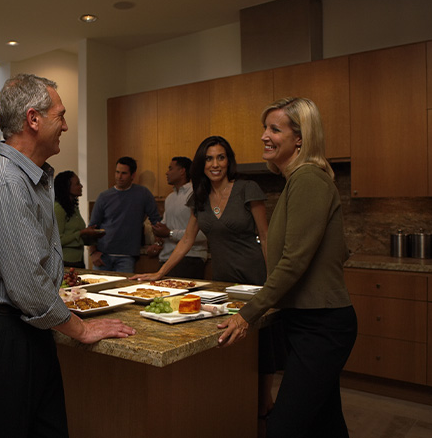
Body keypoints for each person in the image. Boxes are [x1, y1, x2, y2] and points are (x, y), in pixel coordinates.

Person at [0, 74, 135, 438]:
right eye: (61, 115)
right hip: (2, 338)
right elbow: (27, 286)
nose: (65, 125)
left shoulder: (29, 180)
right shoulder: (6, 182)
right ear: (33, 119)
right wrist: (80, 328)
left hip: (26, 332)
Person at [217, 97, 357, 438]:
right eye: (265, 128)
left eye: (274, 129)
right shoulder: (300, 180)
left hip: (320, 325)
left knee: (283, 426)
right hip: (310, 320)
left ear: (300, 138)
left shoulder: (309, 178)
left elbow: (294, 261)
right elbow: (341, 251)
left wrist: (247, 313)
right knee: (325, 422)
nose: (265, 135)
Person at [134, 136, 278, 420]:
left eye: (221, 157)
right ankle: (236, 403)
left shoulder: (248, 188)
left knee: (262, 347)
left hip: (255, 279)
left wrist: (274, 280)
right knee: (231, 342)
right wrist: (160, 272)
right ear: (202, 164)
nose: (216, 164)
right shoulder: (199, 197)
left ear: (229, 160)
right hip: (223, 283)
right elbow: (187, 240)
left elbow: (267, 236)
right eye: (209, 159)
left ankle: (263, 406)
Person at [88, 156, 162, 273]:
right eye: (117, 172)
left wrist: (157, 243)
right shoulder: (104, 197)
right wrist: (93, 253)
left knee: (123, 289)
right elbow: (92, 227)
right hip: (103, 255)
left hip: (127, 256)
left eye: (124, 173)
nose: (119, 177)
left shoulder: (142, 194)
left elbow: (156, 221)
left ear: (132, 175)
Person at [148, 157, 208, 279]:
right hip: (166, 259)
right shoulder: (170, 198)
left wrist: (170, 233)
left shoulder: (196, 193)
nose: (167, 172)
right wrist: (158, 240)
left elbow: (203, 234)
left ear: (182, 171)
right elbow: (164, 227)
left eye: (170, 168)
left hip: (190, 259)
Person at [54, 170, 103, 268]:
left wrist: (92, 235)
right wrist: (82, 232)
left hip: (78, 261)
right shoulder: (58, 209)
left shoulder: (73, 208)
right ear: (67, 187)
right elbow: (57, 240)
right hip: (65, 262)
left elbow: (76, 235)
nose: (81, 186)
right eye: (77, 184)